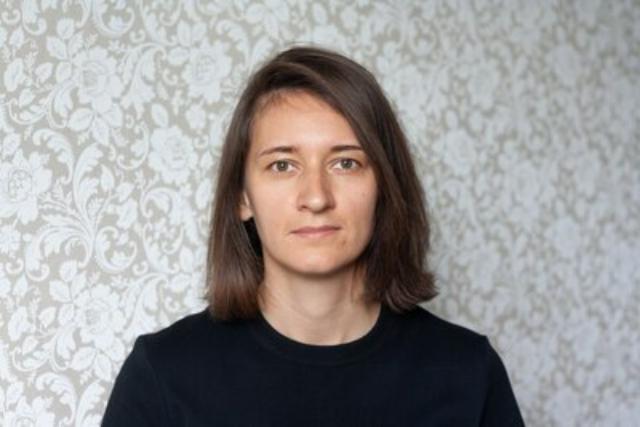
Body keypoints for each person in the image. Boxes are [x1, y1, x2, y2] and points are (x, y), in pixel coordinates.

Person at [102, 46, 525, 426]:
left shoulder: (469, 372)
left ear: (384, 187)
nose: (317, 197)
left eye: (346, 163)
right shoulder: (163, 374)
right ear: (242, 197)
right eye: (282, 165)